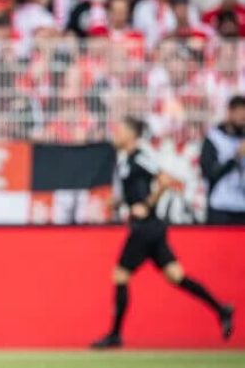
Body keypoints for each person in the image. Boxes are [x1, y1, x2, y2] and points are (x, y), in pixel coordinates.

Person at [91, 117, 234, 349]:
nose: (115, 134)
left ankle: (115, 335)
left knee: (120, 275)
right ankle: (221, 309)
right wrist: (118, 203)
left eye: (120, 130)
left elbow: (165, 180)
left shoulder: (141, 156)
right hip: (152, 228)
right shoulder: (125, 160)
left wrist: (146, 205)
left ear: (132, 134)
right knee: (176, 276)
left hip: (146, 227)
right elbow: (135, 193)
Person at [200, 96, 245, 224]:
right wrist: (235, 158)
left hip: (242, 206)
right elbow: (210, 172)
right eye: (240, 115)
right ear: (230, 113)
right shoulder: (214, 139)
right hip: (220, 207)